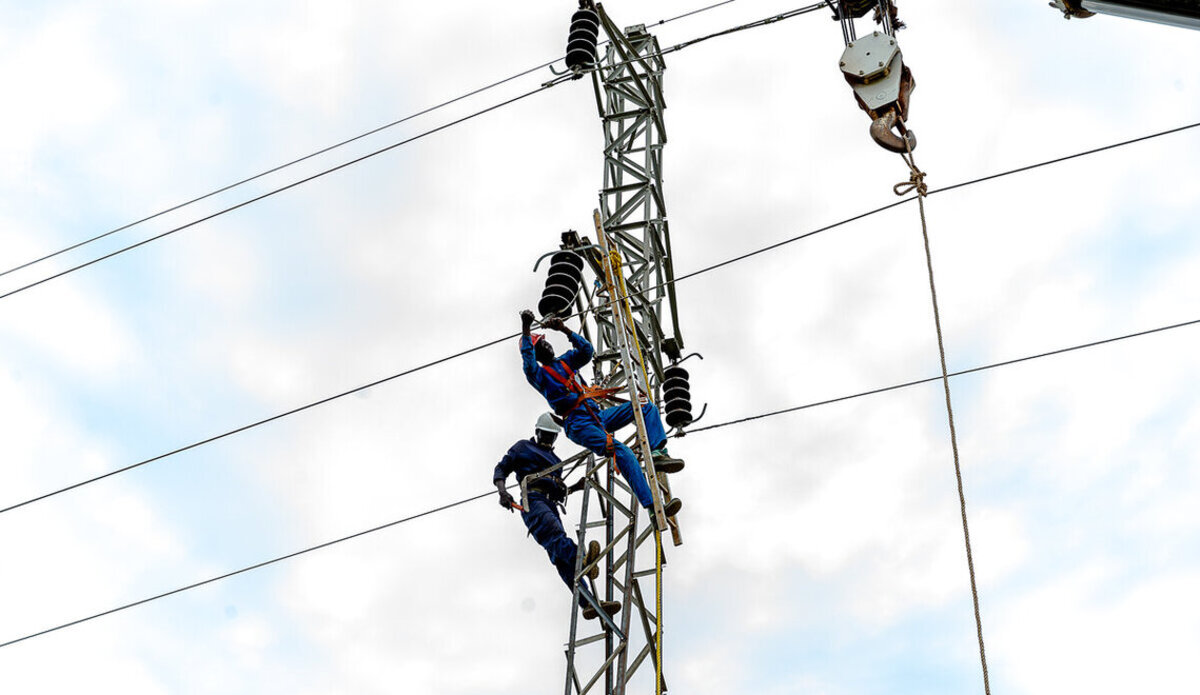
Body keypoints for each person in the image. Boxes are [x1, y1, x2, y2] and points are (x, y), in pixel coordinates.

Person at [518, 309, 684, 531]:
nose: (546, 346)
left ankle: (657, 453)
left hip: (597, 415)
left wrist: (565, 329)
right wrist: (526, 328)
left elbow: (587, 351)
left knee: (645, 407)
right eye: (540, 346)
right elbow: (528, 364)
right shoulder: (539, 376)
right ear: (536, 353)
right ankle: (653, 506)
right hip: (579, 424)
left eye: (545, 343)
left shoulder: (566, 361)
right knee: (620, 450)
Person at [494, 412, 617, 620]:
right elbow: (501, 468)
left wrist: (573, 488)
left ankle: (587, 603)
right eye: (545, 434)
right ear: (537, 431)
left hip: (551, 503)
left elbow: (559, 491)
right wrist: (502, 491)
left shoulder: (555, 461)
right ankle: (582, 558)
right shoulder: (522, 447)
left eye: (552, 436)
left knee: (561, 558)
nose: (548, 439)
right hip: (532, 501)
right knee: (554, 534)